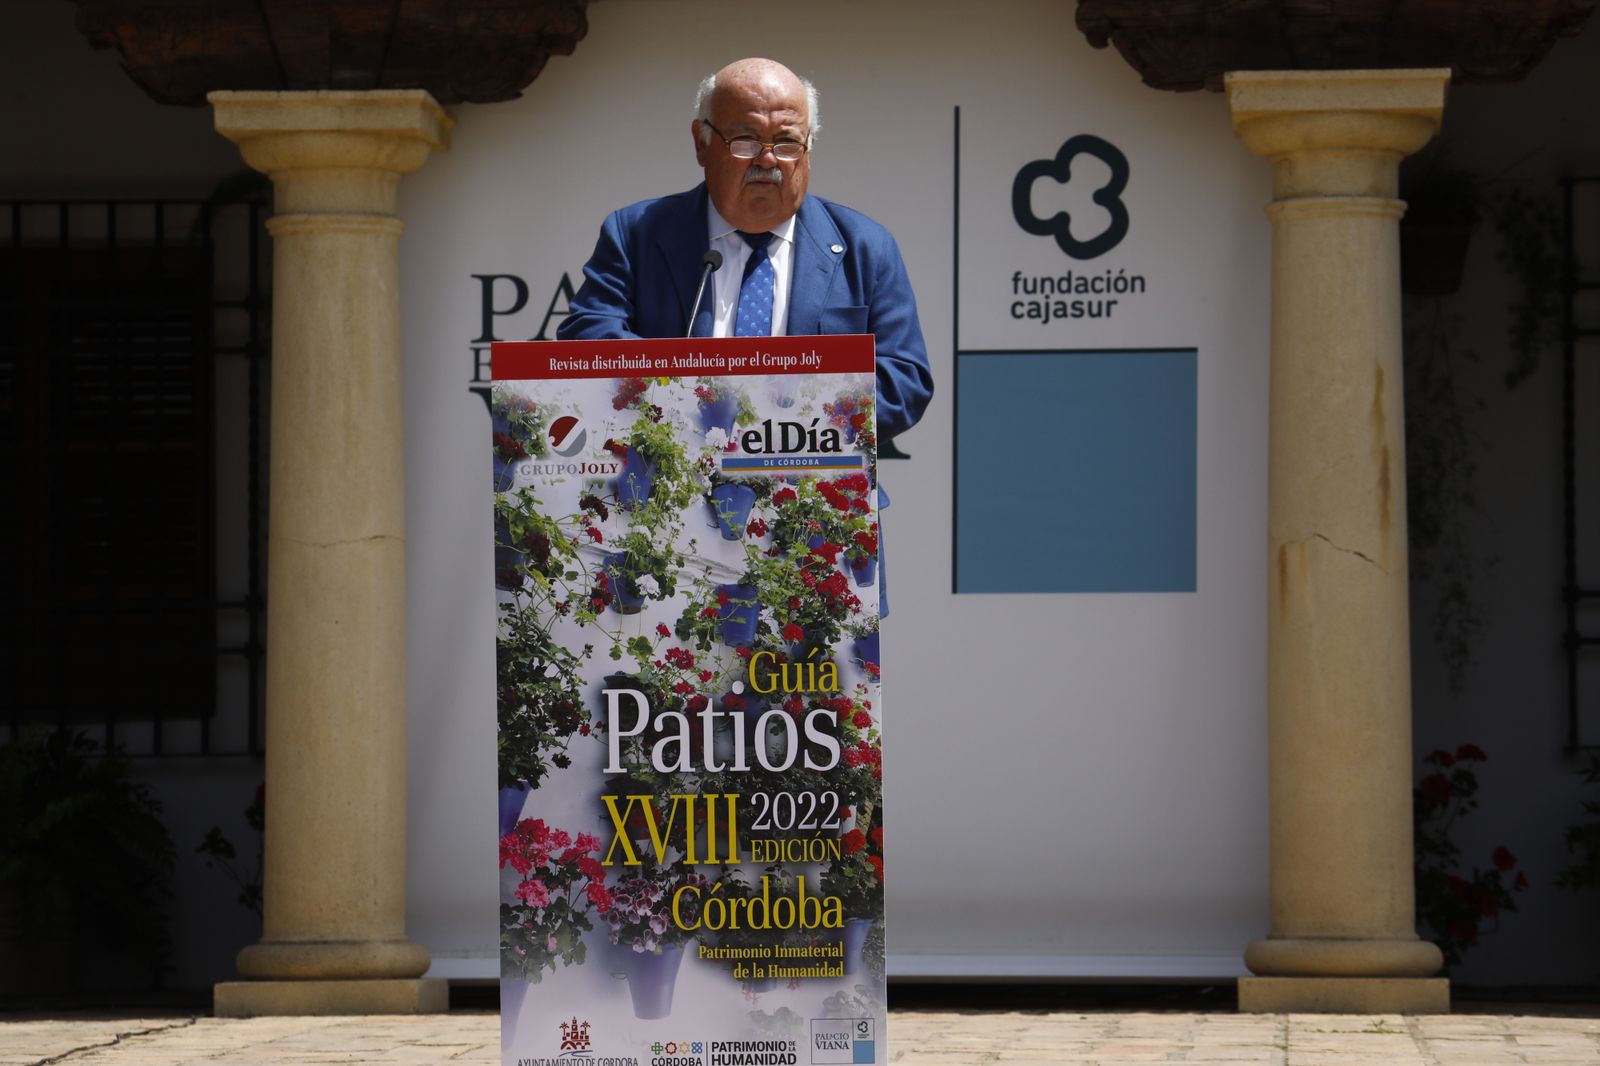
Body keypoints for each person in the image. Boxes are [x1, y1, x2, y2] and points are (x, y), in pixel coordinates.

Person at [557, 57, 933, 447]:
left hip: (811, 487)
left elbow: (903, 383)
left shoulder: (866, 248)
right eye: (745, 141)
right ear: (701, 143)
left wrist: (772, 418)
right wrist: (699, 392)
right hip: (665, 484)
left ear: (809, 149)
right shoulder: (636, 233)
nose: (767, 159)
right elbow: (588, 342)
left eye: (787, 142)